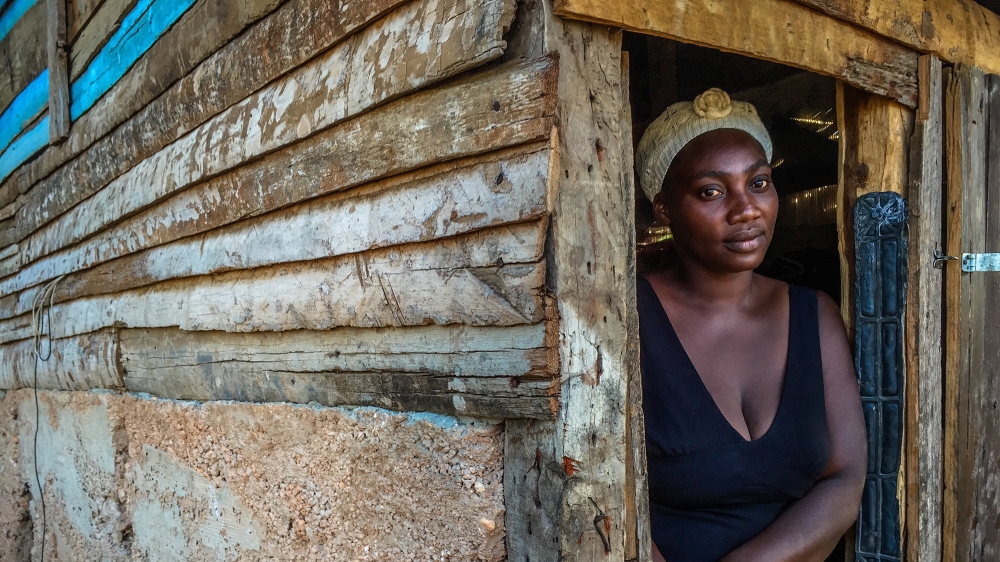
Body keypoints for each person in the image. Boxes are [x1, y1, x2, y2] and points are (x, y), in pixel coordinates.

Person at [634, 88, 867, 562]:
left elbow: (845, 477)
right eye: (712, 191)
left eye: (759, 183)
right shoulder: (627, 318)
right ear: (663, 209)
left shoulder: (813, 314)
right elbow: (600, 486)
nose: (746, 209)